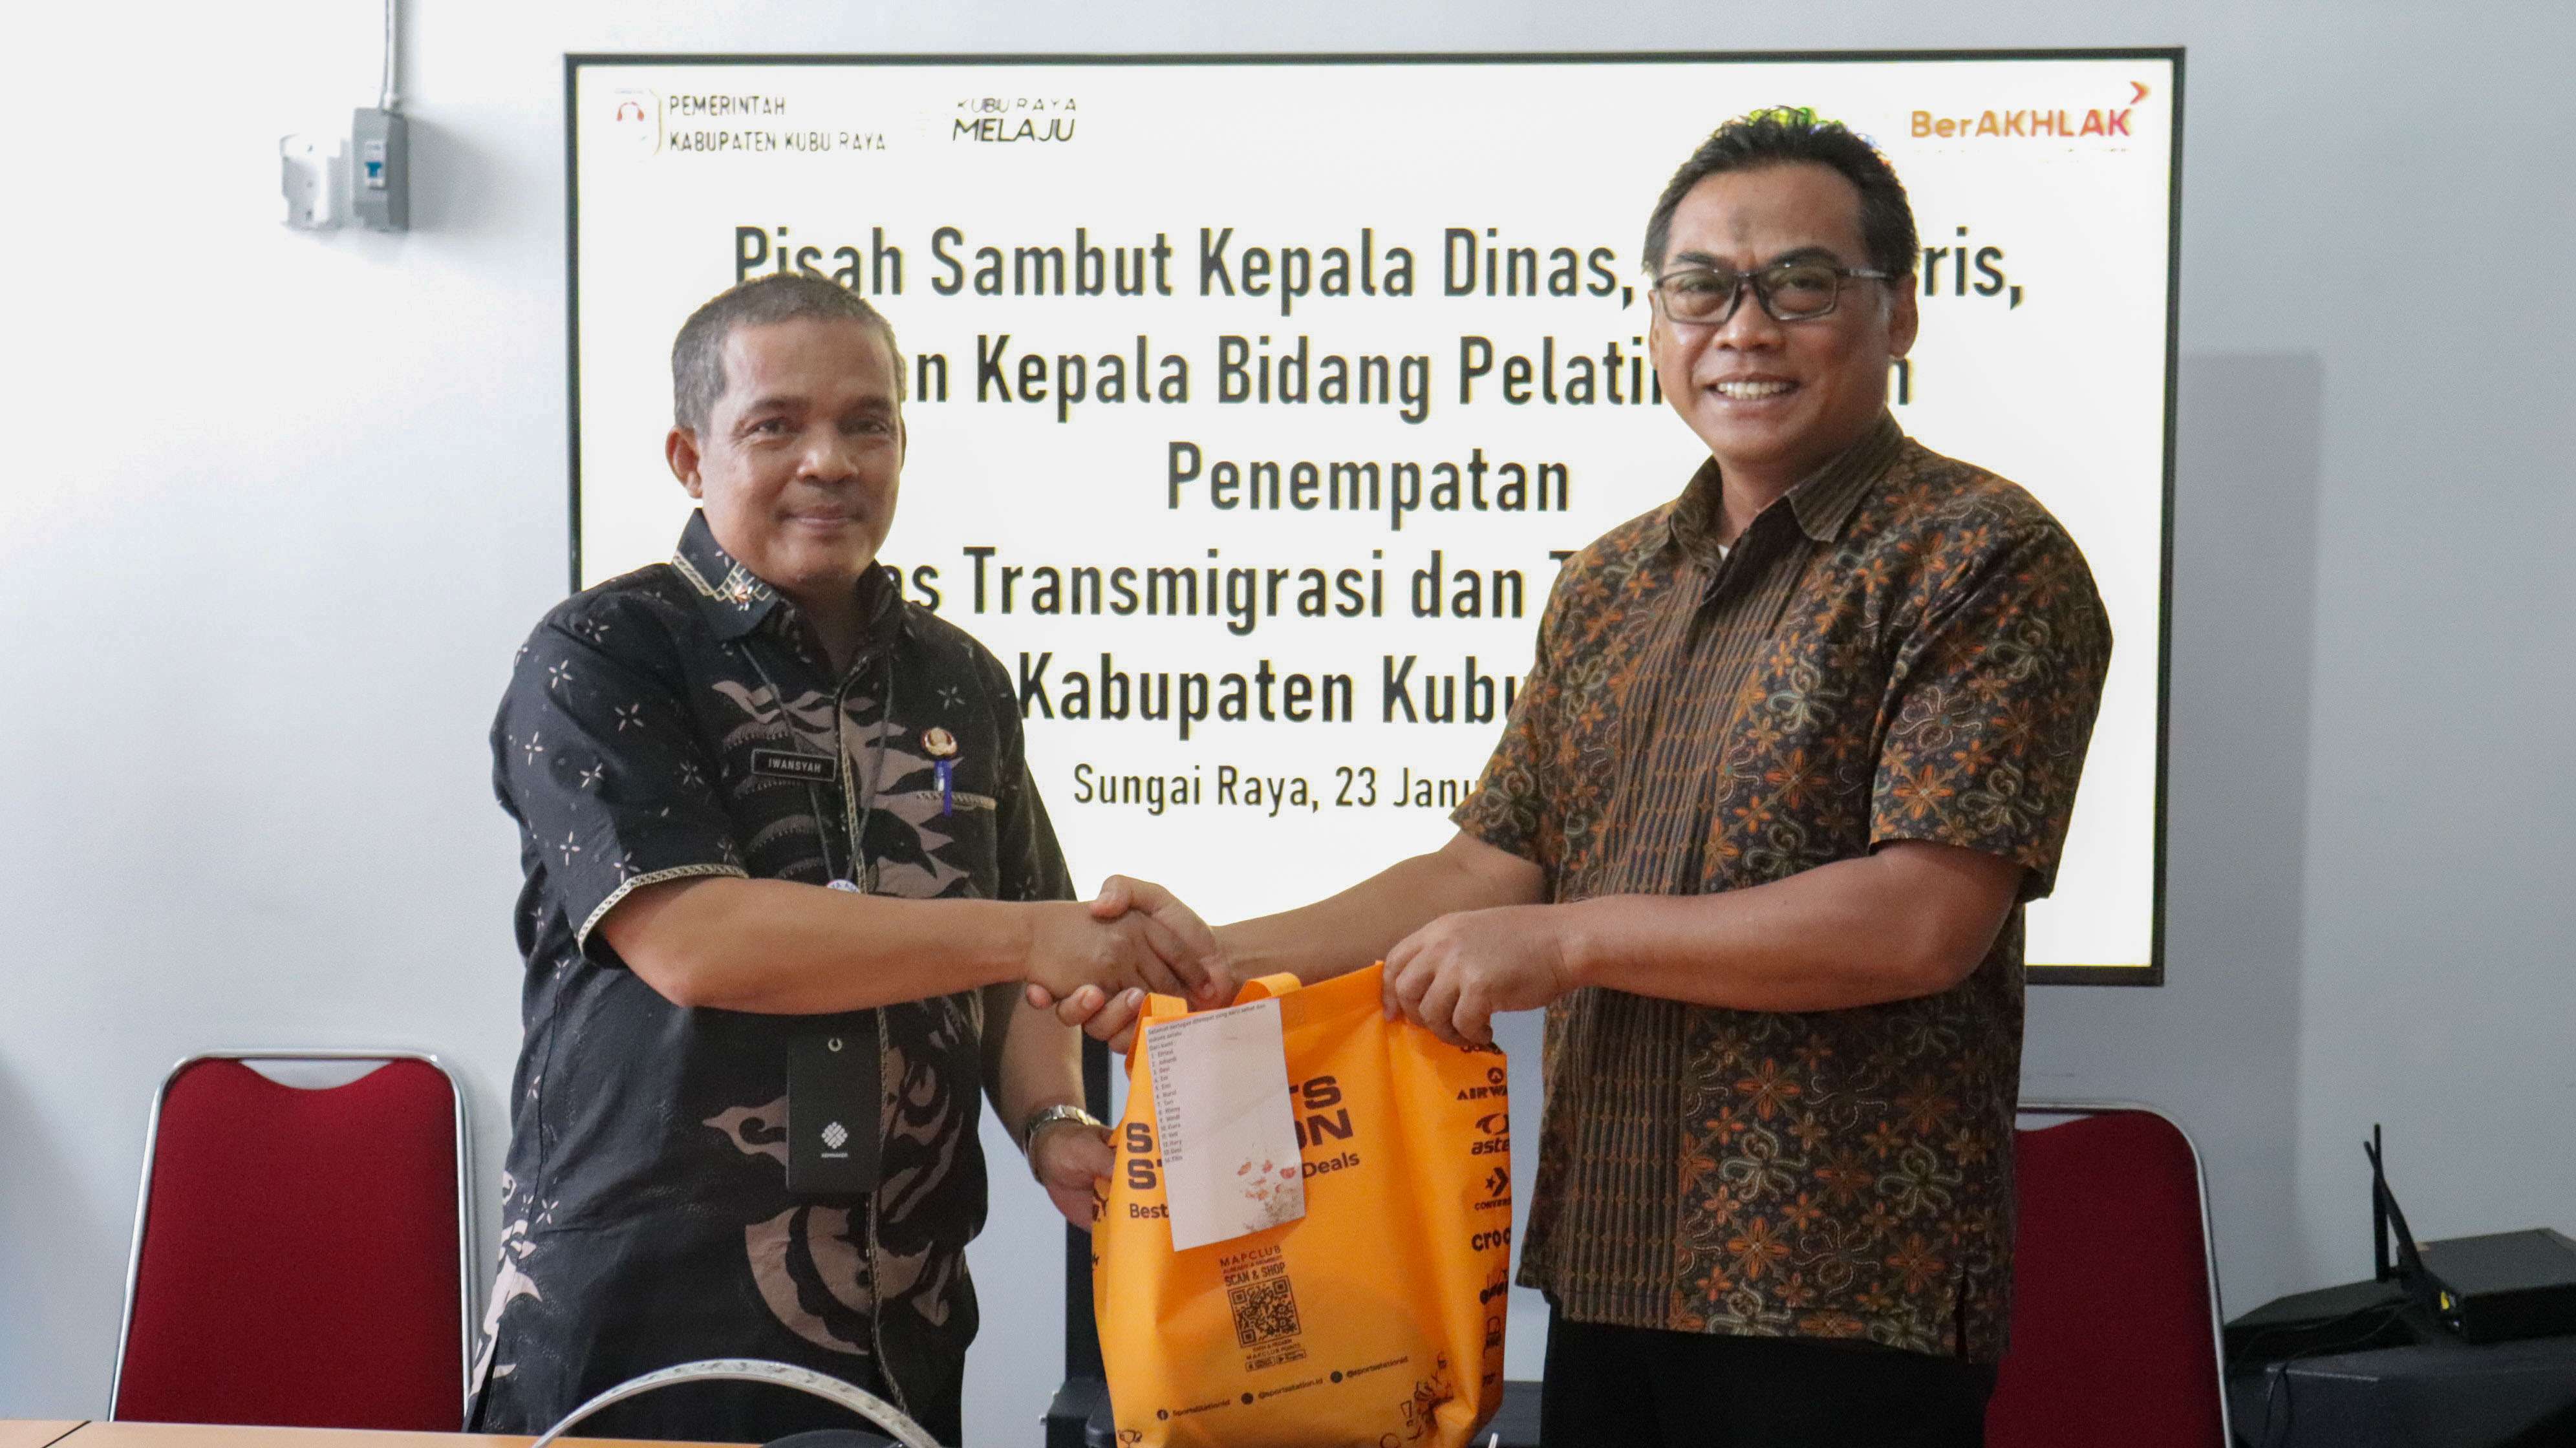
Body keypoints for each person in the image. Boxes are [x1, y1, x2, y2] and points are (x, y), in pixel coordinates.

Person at [1058, 108, 2115, 1447]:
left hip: (1840, 1299)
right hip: (1608, 1266)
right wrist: (1205, 963)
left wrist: (1568, 943)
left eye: (1800, 285)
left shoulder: (1979, 555)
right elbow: (1485, 870)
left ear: (1898, 312)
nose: (1744, 329)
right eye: (1700, 288)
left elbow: (1921, 921)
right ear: (1657, 320)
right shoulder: (1615, 581)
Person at [473, 273, 1217, 1444]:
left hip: (901, 1314)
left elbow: (1025, 957)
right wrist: (1030, 935)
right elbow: (697, 942)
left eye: (867, 424)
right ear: (690, 458)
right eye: (777, 426)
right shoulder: (604, 652)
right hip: (642, 1316)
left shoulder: (960, 679)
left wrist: (1051, 1122)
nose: (830, 461)